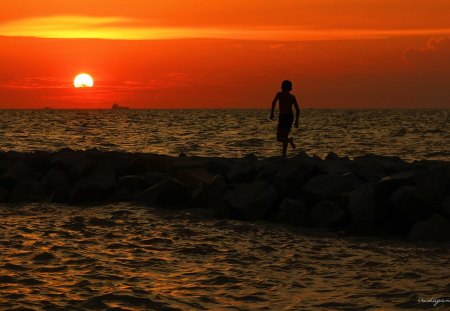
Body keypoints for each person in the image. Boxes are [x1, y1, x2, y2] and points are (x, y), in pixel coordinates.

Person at [270, 80, 300, 157]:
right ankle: (284, 155)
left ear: (282, 87)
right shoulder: (292, 97)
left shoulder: (279, 94)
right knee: (285, 136)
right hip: (290, 117)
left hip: (283, 116)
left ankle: (289, 140)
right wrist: (296, 121)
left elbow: (274, 102)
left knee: (279, 138)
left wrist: (272, 113)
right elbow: (297, 109)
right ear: (290, 88)